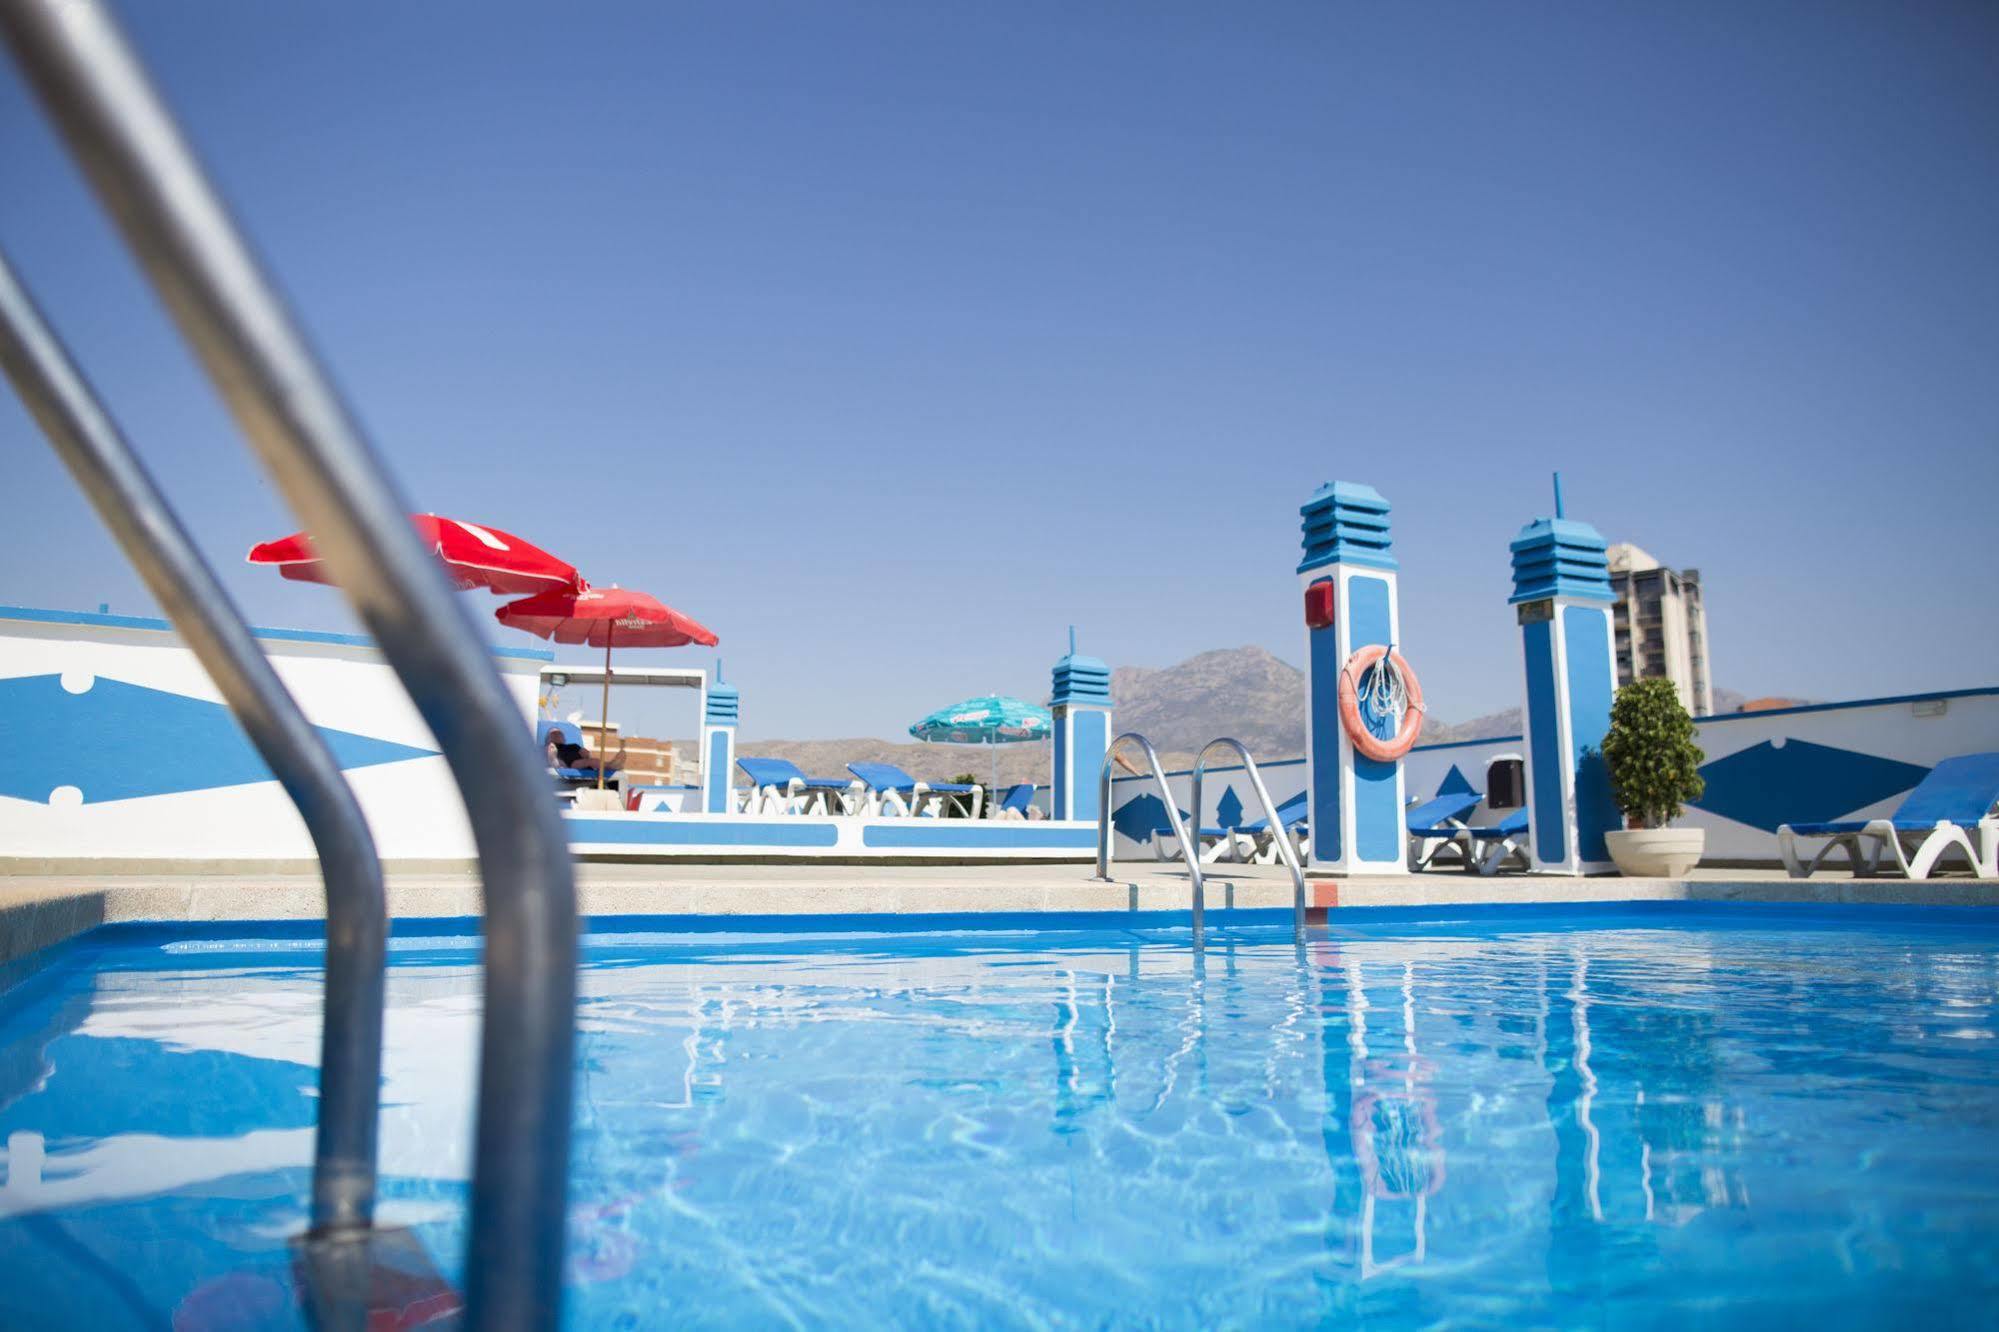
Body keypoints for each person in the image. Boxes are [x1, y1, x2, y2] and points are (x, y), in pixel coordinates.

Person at [546, 726, 624, 777]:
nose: (557, 735)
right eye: (553, 734)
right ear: (548, 739)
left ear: (564, 739)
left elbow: (586, 756)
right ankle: (554, 761)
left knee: (590, 761)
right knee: (558, 761)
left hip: (578, 763)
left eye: (559, 734)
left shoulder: (574, 746)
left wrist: (586, 754)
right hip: (566, 763)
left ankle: (611, 765)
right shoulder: (548, 747)